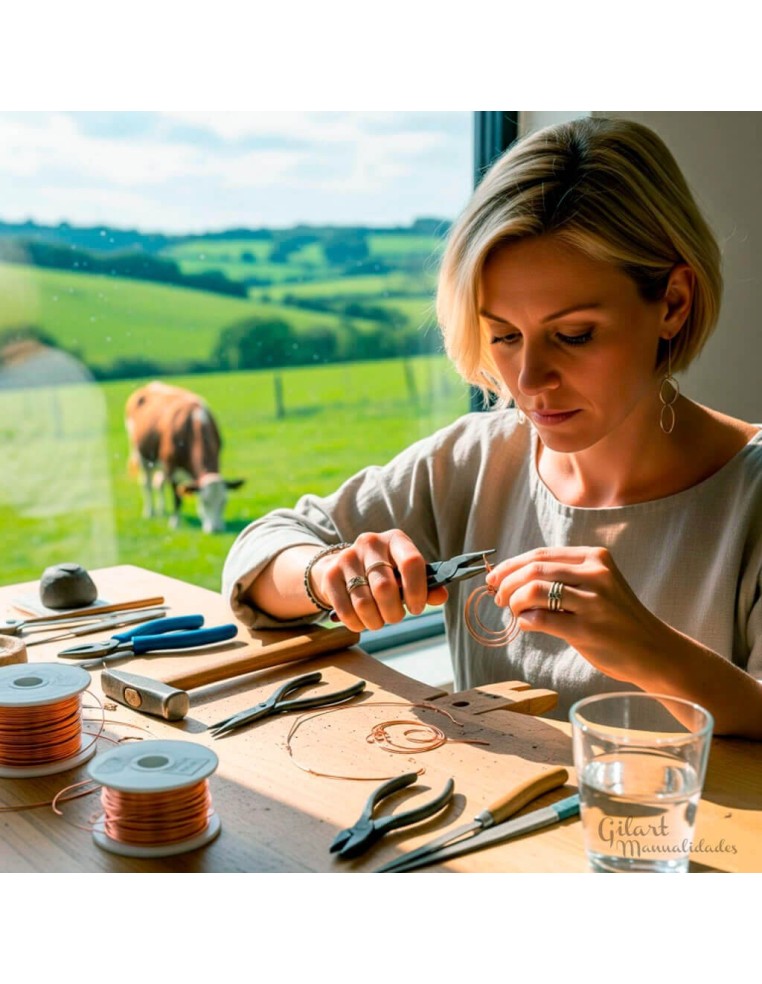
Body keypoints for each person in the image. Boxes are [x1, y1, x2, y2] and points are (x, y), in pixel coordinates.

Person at [222, 116, 762, 739]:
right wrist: (326, 577)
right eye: (504, 335)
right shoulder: (473, 460)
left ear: (673, 303)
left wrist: (654, 654)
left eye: (574, 335)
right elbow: (261, 551)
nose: (529, 378)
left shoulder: (752, 499)